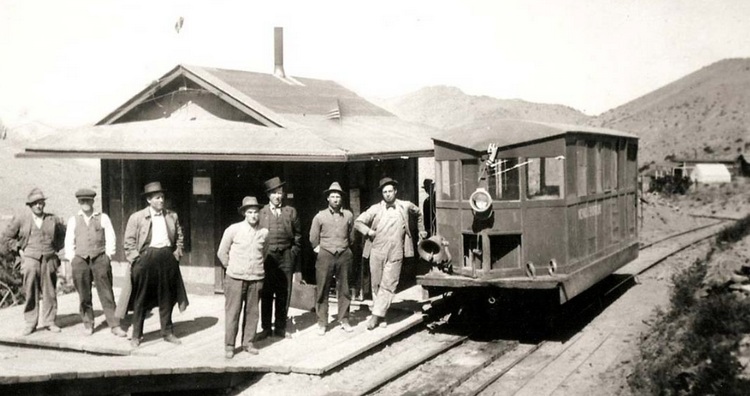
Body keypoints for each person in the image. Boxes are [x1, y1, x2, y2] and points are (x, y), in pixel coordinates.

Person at [355, 177, 427, 330]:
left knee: (389, 283)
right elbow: (358, 222)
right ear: (382, 193)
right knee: (377, 284)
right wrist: (368, 231)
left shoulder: (405, 206)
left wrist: (421, 230)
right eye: (384, 192)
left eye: (390, 191)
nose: (387, 194)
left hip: (396, 250)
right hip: (377, 249)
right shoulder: (375, 209)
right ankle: (382, 315)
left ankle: (375, 317)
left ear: (395, 191)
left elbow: (419, 213)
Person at [123, 181, 189, 347]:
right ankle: (137, 335)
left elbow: (180, 237)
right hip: (146, 258)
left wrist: (176, 254)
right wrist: (137, 261)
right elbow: (129, 242)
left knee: (167, 297)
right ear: (149, 200)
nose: (161, 200)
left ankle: (167, 332)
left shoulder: (171, 216)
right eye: (157, 198)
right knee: (141, 298)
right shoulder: (137, 217)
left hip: (167, 258)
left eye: (162, 197)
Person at [1, 188, 66, 335]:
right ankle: (31, 322)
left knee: (50, 291)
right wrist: (19, 250)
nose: (39, 206)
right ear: (29, 205)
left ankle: (50, 321)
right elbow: (6, 238)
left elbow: (63, 236)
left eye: (41, 203)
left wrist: (57, 252)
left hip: (49, 259)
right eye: (35, 203)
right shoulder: (21, 219)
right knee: (31, 290)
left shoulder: (52, 219)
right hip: (30, 260)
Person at [64, 188, 127, 337]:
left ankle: (115, 324)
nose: (85, 203)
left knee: (106, 293)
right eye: (82, 201)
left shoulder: (102, 217)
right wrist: (73, 258)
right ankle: (88, 324)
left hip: (100, 258)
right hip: (80, 260)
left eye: (88, 200)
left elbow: (111, 237)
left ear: (93, 201)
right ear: (79, 202)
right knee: (84, 295)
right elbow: (69, 241)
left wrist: (108, 256)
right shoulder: (73, 220)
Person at [217, 196, 268, 359]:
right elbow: (221, 253)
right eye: (250, 212)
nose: (253, 215)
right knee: (233, 312)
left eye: (256, 212)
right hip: (235, 278)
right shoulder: (233, 229)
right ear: (244, 213)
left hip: (256, 278)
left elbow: (264, 253)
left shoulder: (264, 232)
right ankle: (230, 345)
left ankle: (248, 342)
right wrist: (232, 268)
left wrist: (255, 267)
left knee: (252, 312)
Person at [258, 177, 302, 339]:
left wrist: (292, 253)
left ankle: (280, 327)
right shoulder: (261, 213)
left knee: (284, 292)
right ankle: (266, 328)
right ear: (268, 195)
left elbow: (298, 236)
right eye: (274, 193)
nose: (278, 196)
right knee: (266, 293)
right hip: (267, 258)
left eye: (280, 193)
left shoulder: (290, 212)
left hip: (286, 257)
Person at [310, 182, 354, 336]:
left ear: (341, 199)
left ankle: (344, 319)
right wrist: (321, 251)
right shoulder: (320, 216)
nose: (336, 199)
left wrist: (345, 248)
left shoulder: (348, 215)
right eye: (333, 196)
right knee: (323, 288)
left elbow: (351, 236)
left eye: (338, 196)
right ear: (328, 198)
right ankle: (322, 322)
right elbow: (313, 238)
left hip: (344, 254)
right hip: (325, 255)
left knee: (345, 288)